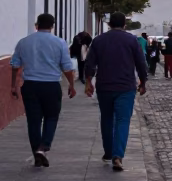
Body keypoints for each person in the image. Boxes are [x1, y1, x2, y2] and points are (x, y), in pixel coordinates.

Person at [9, 14, 76, 167]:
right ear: (52, 26)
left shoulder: (24, 42)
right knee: (51, 117)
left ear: (36, 25)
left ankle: (36, 152)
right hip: (51, 85)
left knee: (33, 120)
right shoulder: (59, 42)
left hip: (30, 85)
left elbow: (14, 65)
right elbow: (67, 67)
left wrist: (13, 85)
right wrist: (71, 85)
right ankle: (43, 147)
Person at [85, 12, 149, 172]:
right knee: (122, 120)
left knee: (106, 118)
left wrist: (88, 82)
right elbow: (141, 63)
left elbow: (90, 63)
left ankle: (108, 151)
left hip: (104, 86)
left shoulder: (98, 41)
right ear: (125, 24)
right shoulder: (132, 40)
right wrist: (143, 82)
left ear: (109, 24)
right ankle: (117, 155)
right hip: (125, 87)